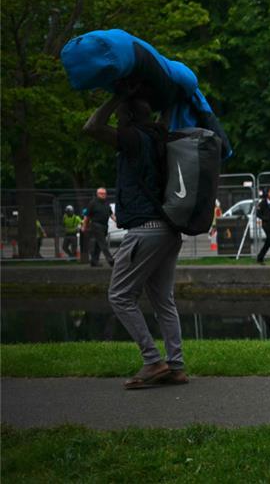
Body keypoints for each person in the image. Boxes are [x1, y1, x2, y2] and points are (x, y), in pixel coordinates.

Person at [83, 82, 187, 389]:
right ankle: (176, 366)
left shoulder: (132, 138)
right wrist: (171, 96)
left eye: (120, 116)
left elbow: (91, 126)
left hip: (145, 230)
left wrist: (118, 96)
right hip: (169, 231)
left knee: (119, 295)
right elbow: (165, 115)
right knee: (163, 301)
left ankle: (153, 361)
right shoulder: (161, 137)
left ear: (126, 116)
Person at [83, 188, 115, 267]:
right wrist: (84, 226)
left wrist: (117, 221)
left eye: (104, 193)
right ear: (97, 194)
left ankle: (94, 261)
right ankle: (110, 260)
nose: (103, 195)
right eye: (101, 193)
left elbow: (111, 214)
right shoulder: (93, 203)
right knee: (103, 243)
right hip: (96, 225)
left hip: (104, 226)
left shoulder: (106, 203)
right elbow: (87, 216)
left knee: (98, 244)